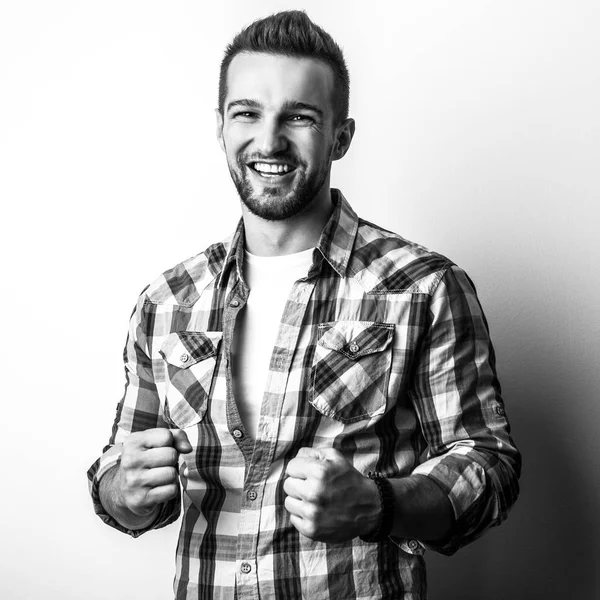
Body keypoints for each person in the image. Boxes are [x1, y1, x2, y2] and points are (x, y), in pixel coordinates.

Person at [88, 10, 521, 600]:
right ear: (220, 127)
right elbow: (120, 477)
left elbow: (489, 467)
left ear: (341, 136)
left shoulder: (425, 286)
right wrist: (125, 492)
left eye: (299, 116)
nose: (269, 141)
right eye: (247, 113)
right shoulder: (167, 301)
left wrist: (378, 505)